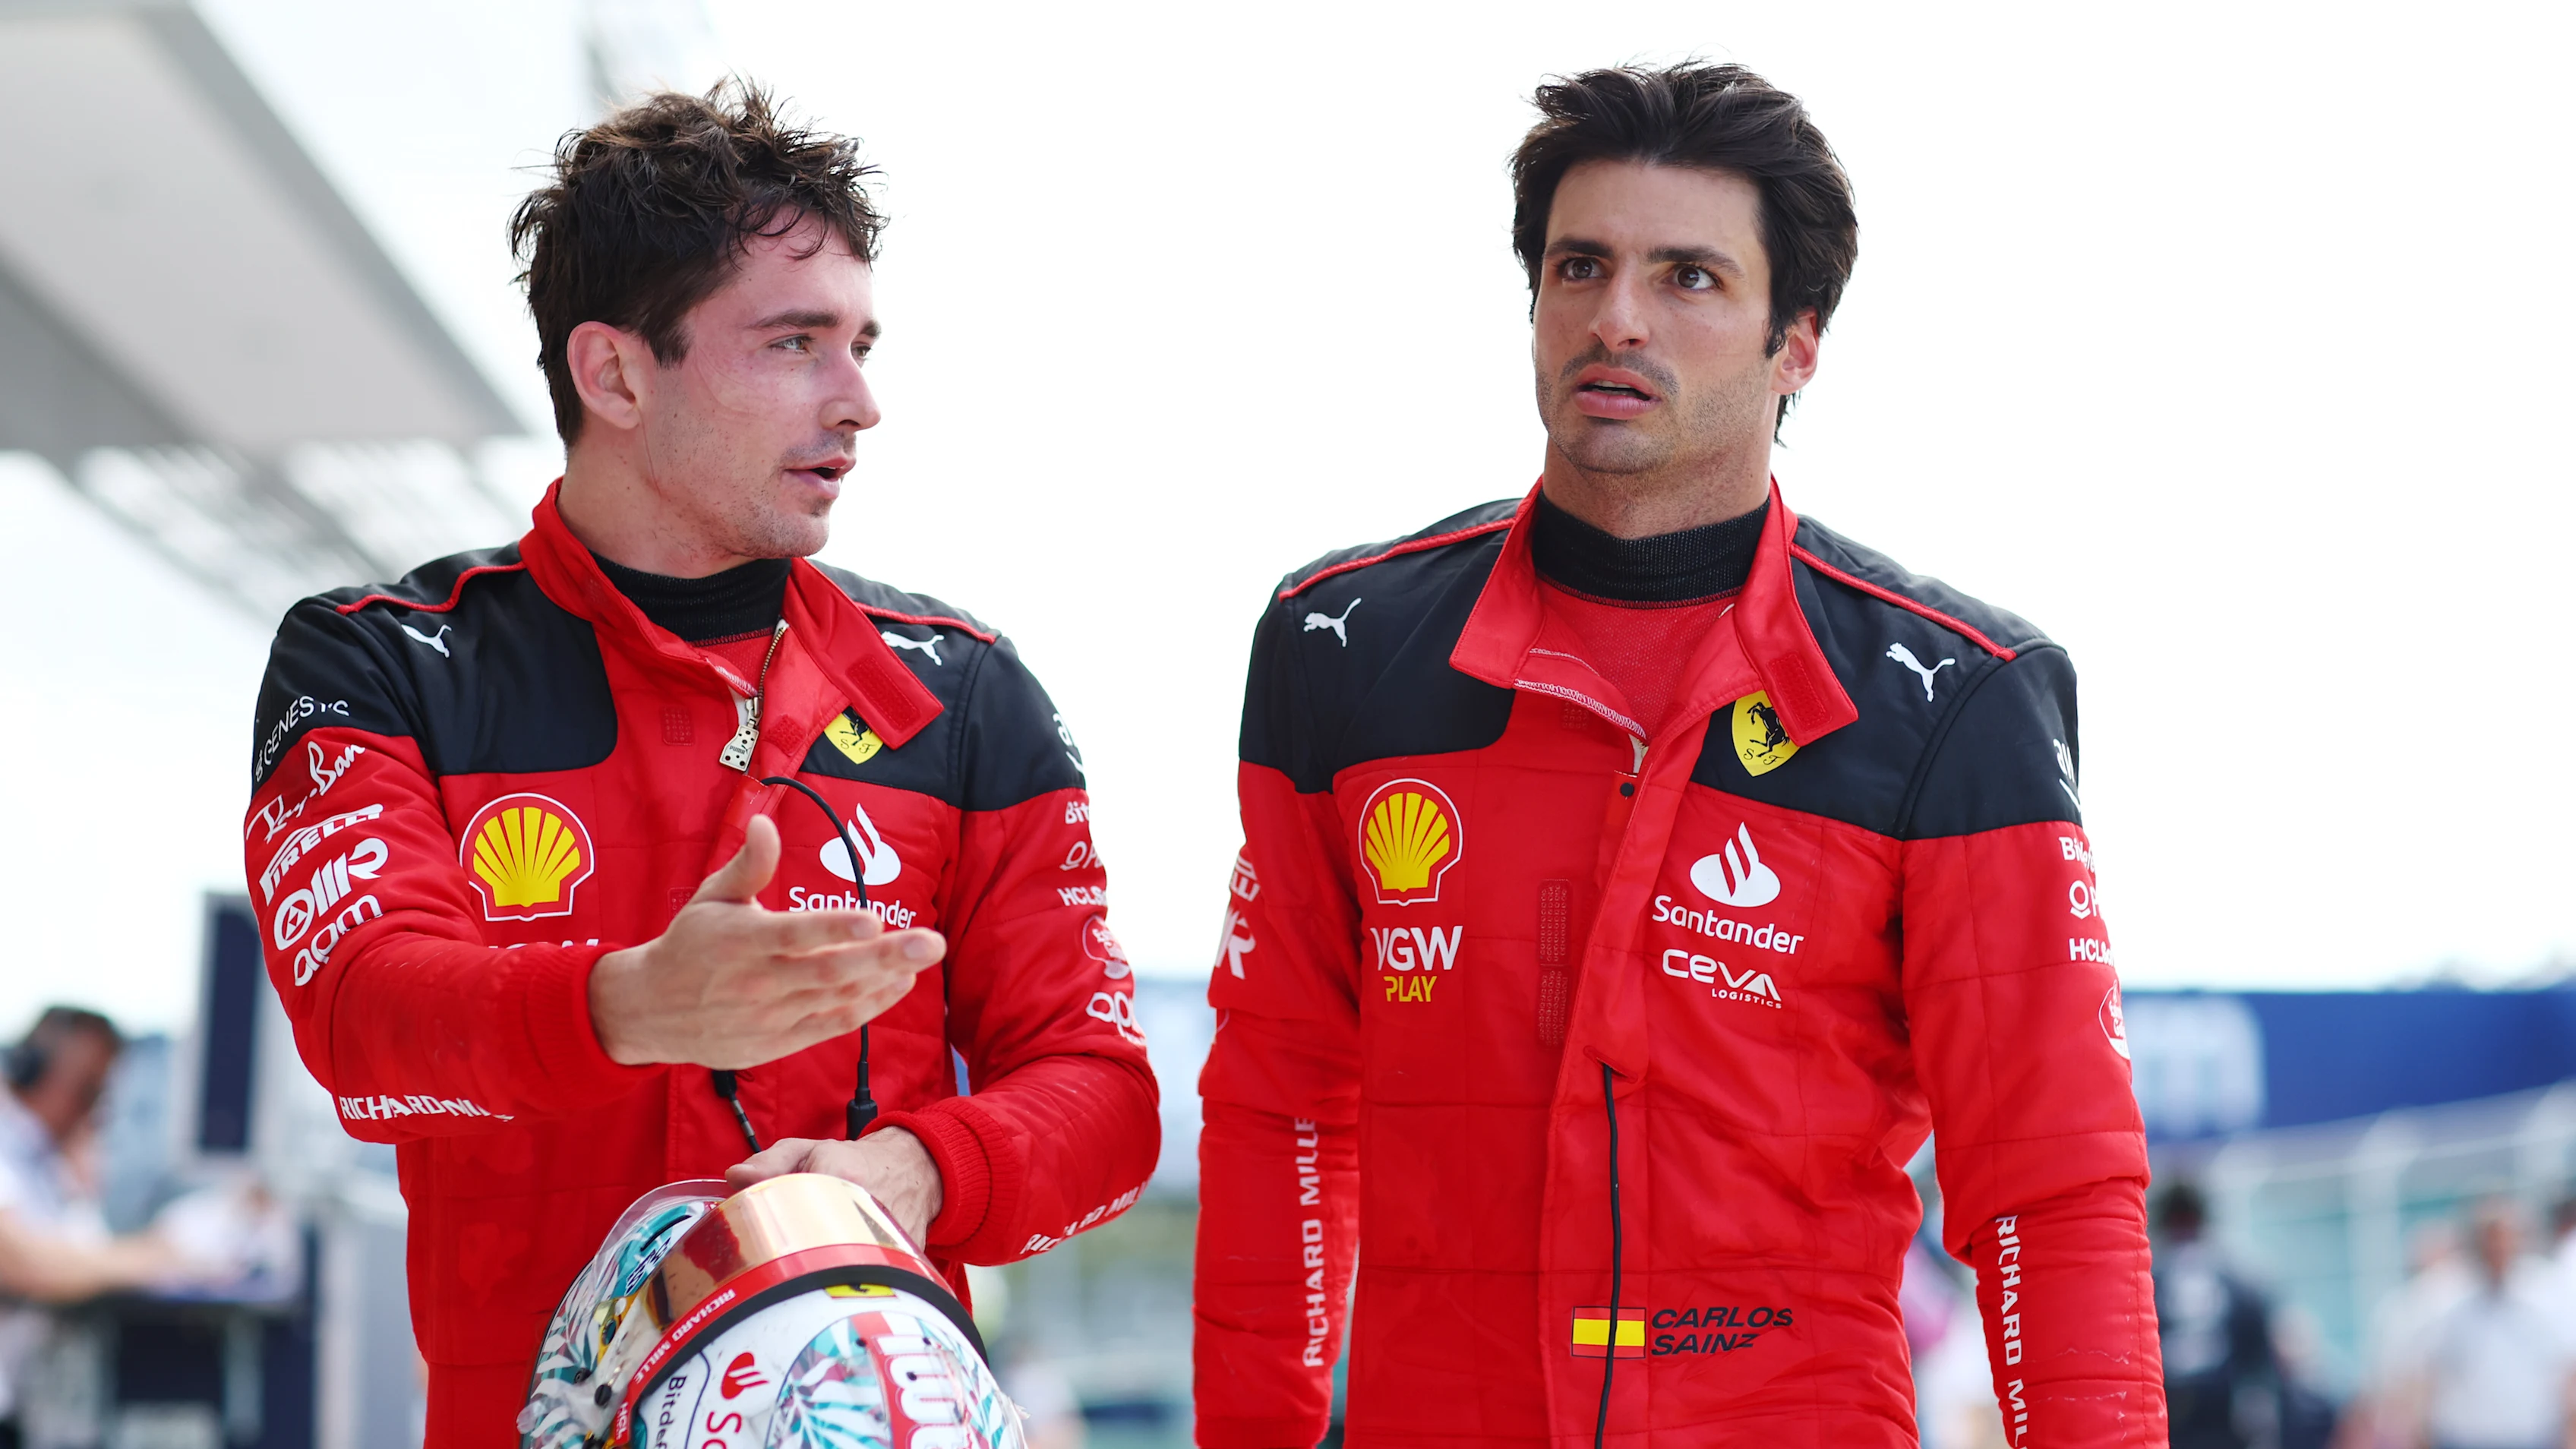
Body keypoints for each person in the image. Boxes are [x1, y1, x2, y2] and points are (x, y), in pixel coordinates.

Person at [1192, 62, 2162, 1446]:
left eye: (1690, 276)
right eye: (1579, 264)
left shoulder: (1956, 693)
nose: (1617, 317)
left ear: (1799, 340)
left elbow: (2046, 1185)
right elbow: (1279, 1111)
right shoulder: (1340, 644)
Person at [241, 84, 1158, 1446]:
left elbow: (1103, 1090)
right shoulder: (378, 662)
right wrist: (625, 1007)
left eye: (859, 342)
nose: (859, 401)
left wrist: (918, 1166)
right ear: (613, 373)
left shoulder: (965, 692)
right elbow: (362, 1024)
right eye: (796, 343)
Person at [0, 1009, 182, 1446]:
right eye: (89, 1090)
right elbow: (28, 1264)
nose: (96, 1108)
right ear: (34, 1068)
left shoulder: (42, 1157)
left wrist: (83, 1173)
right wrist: (154, 1255)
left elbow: (83, 1251)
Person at [2388, 1199, 2575, 1449]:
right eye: (2490, 1240)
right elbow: (2424, 1376)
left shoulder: (2547, 1291)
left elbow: (2565, 1371)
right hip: (2463, 1438)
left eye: (2506, 1239)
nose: (2498, 1249)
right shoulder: (2443, 1296)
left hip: (2533, 1436)